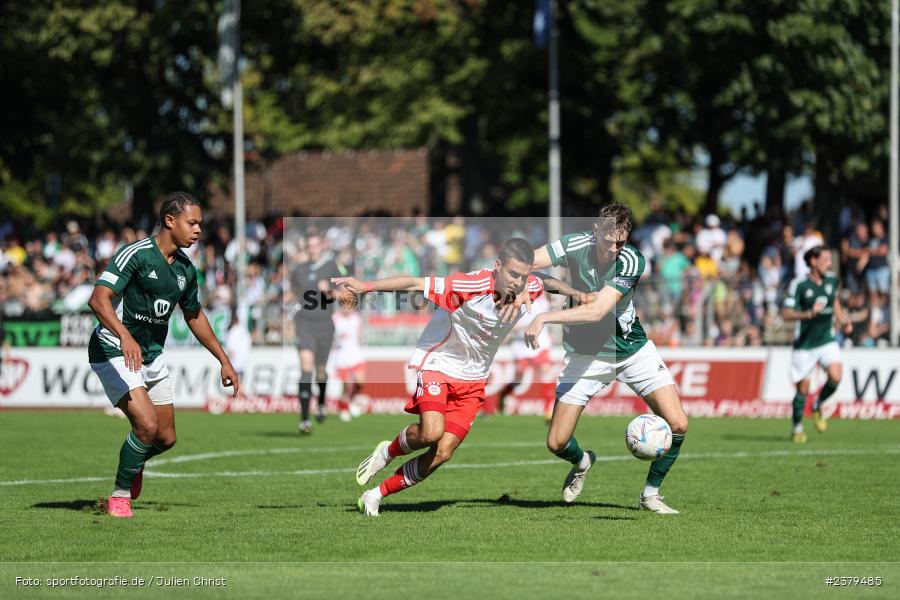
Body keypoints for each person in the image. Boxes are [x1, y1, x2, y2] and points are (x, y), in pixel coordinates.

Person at [333, 238, 547, 517]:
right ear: (497, 267)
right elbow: (412, 284)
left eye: (523, 276)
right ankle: (387, 452)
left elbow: (547, 283)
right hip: (439, 364)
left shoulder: (529, 285)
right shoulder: (466, 286)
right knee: (431, 432)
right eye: (513, 275)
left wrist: (581, 296)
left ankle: (374, 495)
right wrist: (366, 287)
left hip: (474, 381)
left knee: (443, 451)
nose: (519, 282)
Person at [523, 202, 688, 514]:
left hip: (631, 351)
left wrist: (544, 317)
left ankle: (651, 494)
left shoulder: (632, 260)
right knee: (556, 442)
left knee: (678, 423)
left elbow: (598, 309)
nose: (615, 248)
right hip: (585, 356)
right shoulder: (574, 243)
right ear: (596, 230)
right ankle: (583, 461)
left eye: (622, 241)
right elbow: (529, 261)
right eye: (610, 240)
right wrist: (510, 271)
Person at [87, 192, 240, 518]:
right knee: (145, 425)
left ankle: (136, 459)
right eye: (192, 222)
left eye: (200, 223)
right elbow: (98, 299)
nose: (199, 230)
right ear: (170, 221)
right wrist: (125, 336)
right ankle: (120, 496)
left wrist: (224, 360)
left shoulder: (186, 270)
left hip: (150, 356)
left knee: (166, 437)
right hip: (113, 348)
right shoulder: (137, 254)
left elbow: (195, 316)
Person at [781, 246, 852, 442]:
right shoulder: (800, 284)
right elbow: (786, 313)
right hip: (804, 344)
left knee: (836, 376)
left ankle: (818, 404)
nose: (830, 263)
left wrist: (843, 321)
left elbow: (835, 302)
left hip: (826, 340)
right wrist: (807, 314)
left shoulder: (832, 280)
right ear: (813, 261)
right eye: (826, 259)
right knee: (803, 389)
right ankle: (797, 428)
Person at [290, 233, 344, 434]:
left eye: (315, 245)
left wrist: (329, 293)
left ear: (322, 246)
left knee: (320, 371)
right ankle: (304, 419)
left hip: (324, 324)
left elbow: (344, 295)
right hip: (304, 322)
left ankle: (321, 402)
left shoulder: (331, 266)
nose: (312, 249)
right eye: (309, 245)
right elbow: (293, 293)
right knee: (306, 368)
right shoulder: (299, 270)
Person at [331, 303, 366, 421]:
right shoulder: (335, 319)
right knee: (347, 385)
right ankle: (343, 408)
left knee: (360, 382)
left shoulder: (356, 318)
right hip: (341, 356)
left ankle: (350, 401)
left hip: (356, 354)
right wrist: (337, 338)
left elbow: (360, 335)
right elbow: (330, 337)